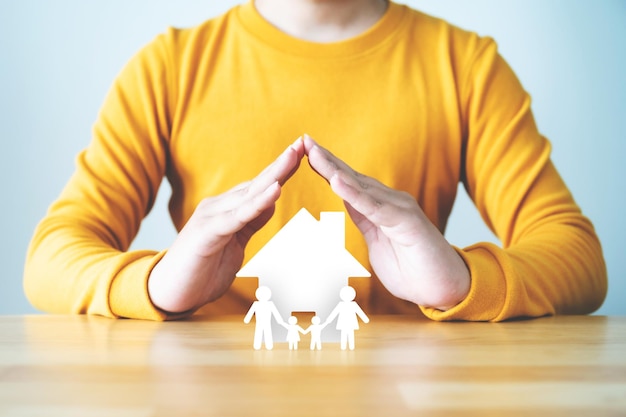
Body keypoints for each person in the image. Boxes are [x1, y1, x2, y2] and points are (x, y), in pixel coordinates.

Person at [24, 0, 607, 323]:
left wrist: (462, 280)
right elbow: (52, 255)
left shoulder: (465, 66)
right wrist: (155, 285)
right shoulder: (169, 67)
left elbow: (576, 254)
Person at [325, 286, 370, 351]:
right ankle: (344, 346)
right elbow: (335, 312)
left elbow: (359, 311)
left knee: (350, 335)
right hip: (344, 323)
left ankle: (350, 346)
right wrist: (329, 319)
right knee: (344, 335)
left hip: (350, 323)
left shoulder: (353, 304)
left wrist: (365, 319)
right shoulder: (341, 304)